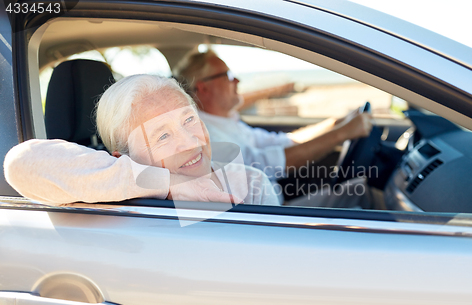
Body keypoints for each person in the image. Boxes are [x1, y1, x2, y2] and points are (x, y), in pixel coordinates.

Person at [4, 75, 279, 206]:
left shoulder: (249, 183)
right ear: (120, 158)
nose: (189, 142)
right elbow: (21, 163)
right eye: (162, 135)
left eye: (189, 120)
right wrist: (169, 185)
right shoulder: (101, 186)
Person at [174, 50, 373, 207]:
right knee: (360, 193)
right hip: (270, 222)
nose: (237, 80)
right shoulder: (205, 135)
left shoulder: (227, 123)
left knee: (360, 188)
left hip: (276, 208)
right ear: (204, 88)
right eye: (227, 75)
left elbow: (282, 142)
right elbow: (268, 163)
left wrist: (337, 123)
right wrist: (343, 133)